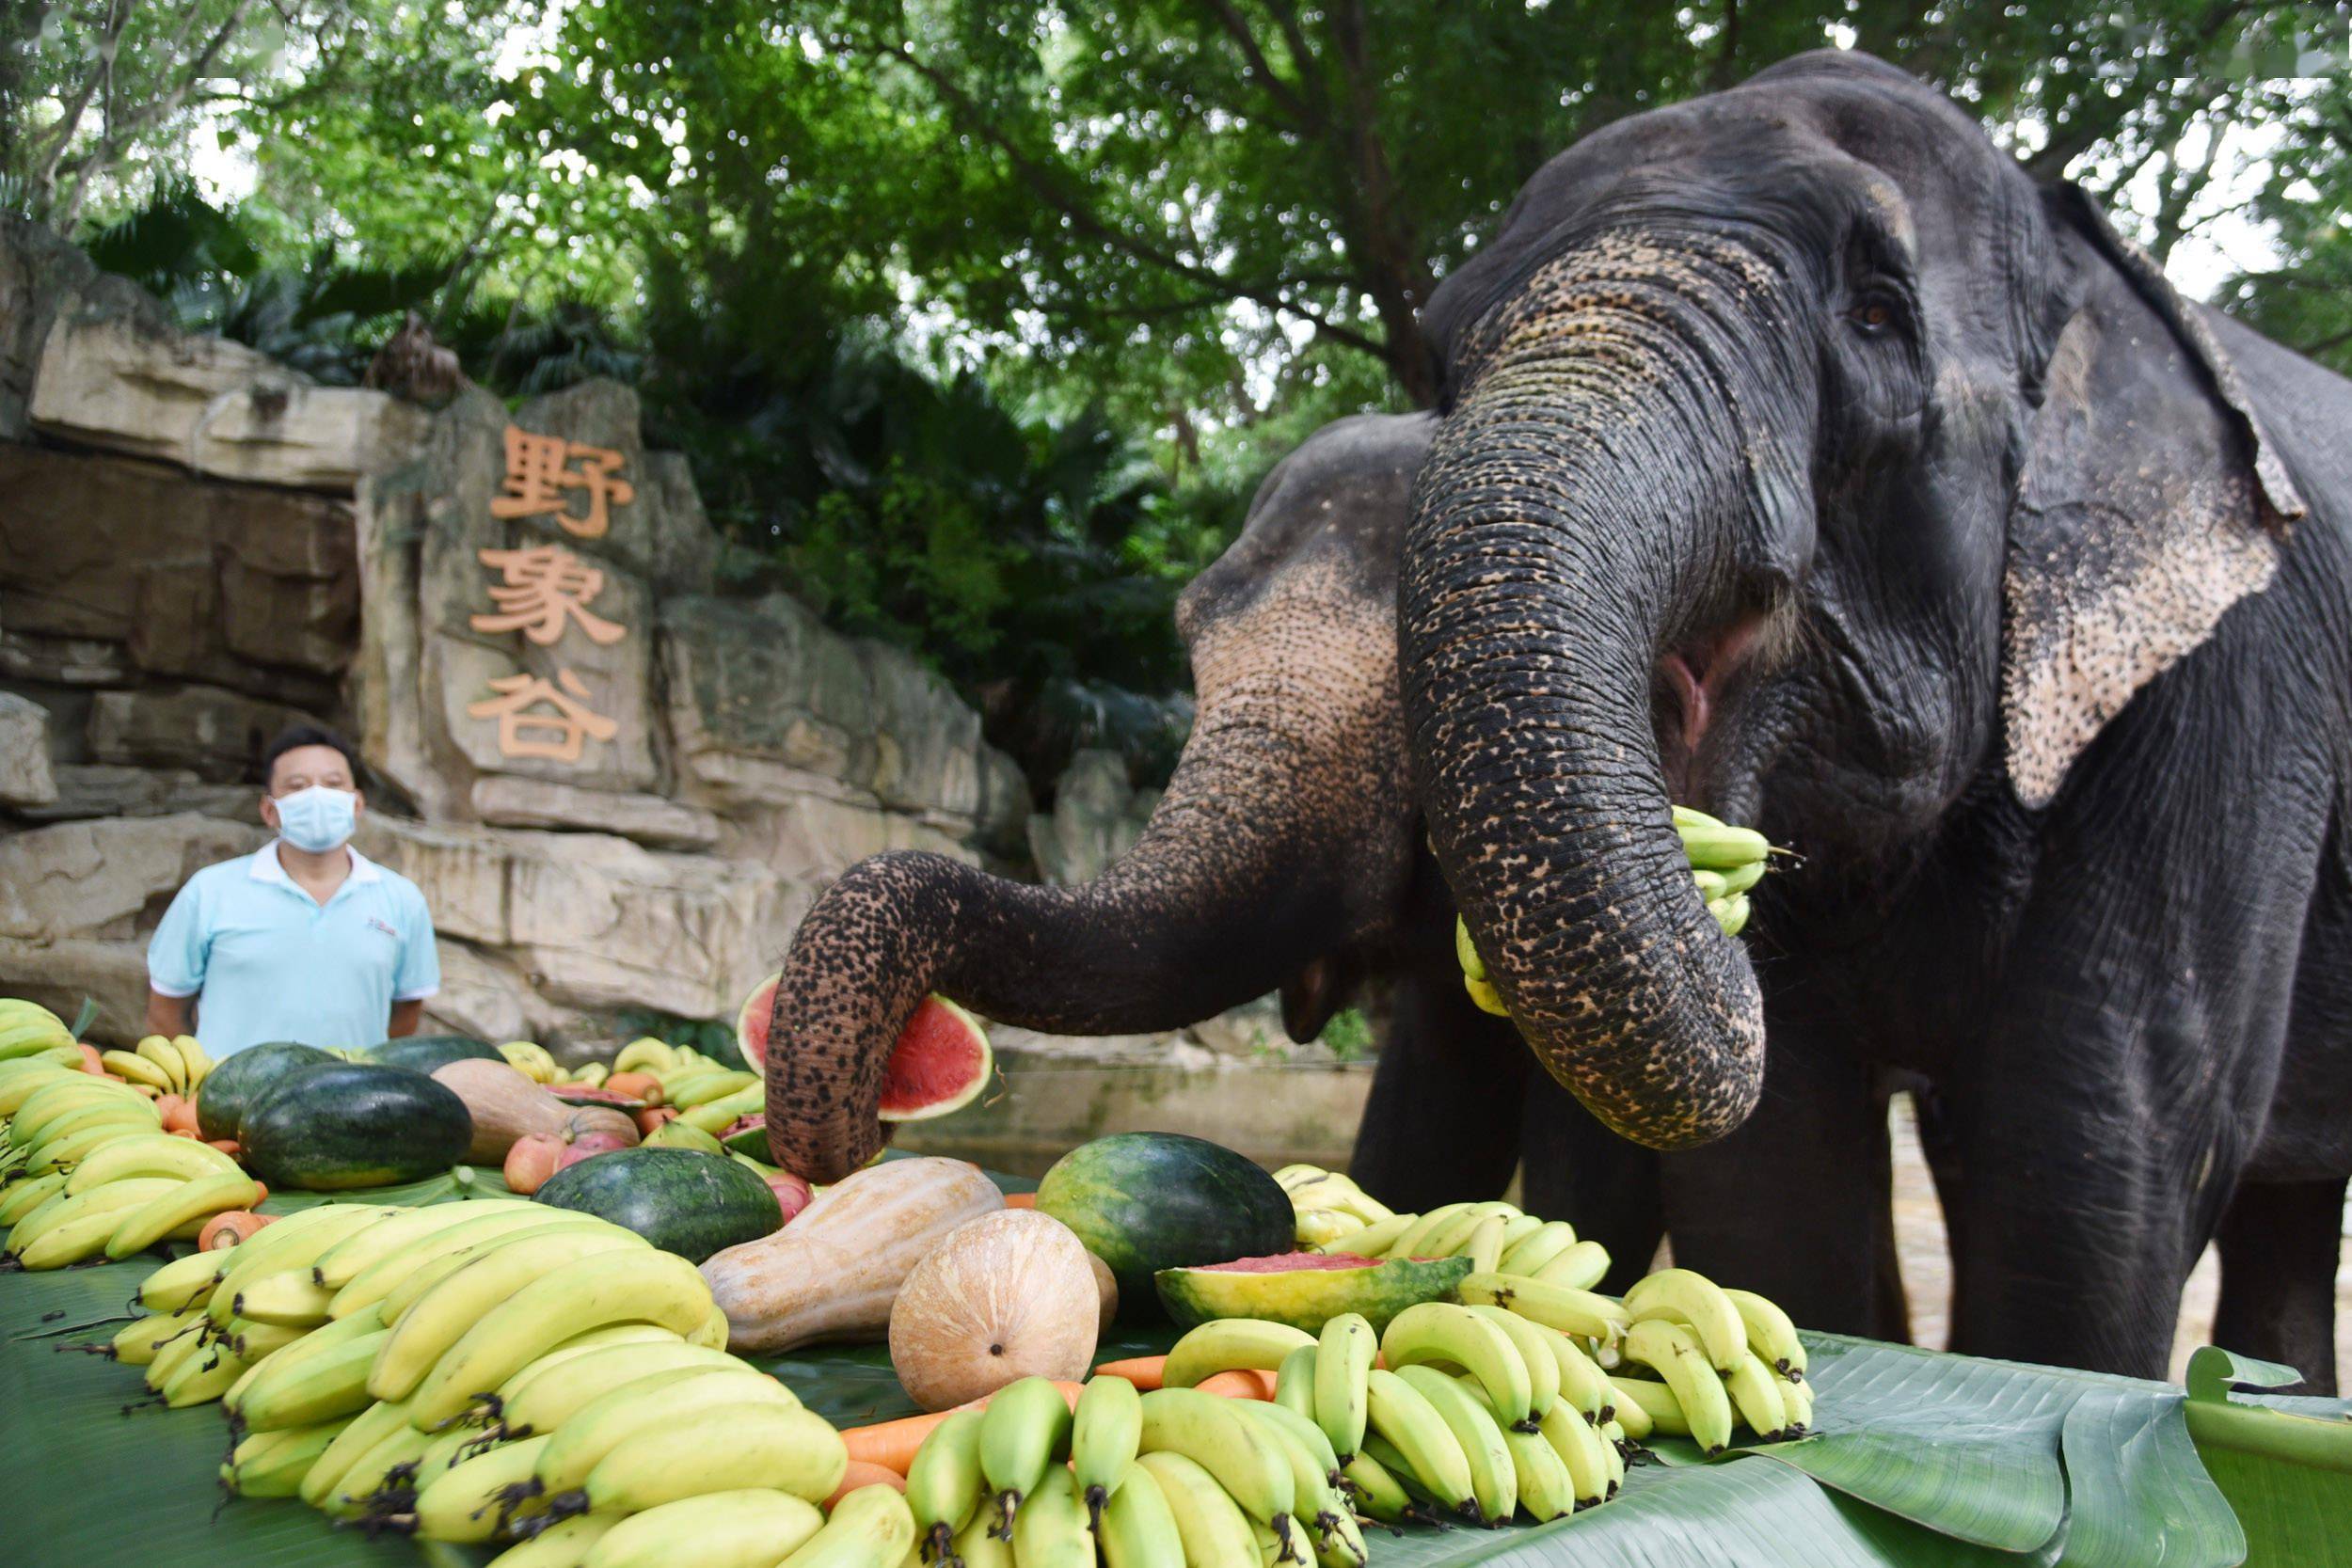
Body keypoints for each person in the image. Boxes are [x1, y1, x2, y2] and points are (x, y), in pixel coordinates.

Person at [145, 723, 439, 1056]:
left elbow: (406, 1012)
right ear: (269, 811)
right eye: (297, 786)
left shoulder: (402, 899)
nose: (317, 796)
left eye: (333, 784)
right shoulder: (210, 891)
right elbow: (165, 1012)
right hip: (235, 1105)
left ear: (357, 805)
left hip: (355, 1101)